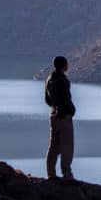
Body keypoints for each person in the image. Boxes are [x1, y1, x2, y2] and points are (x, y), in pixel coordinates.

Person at [44, 55, 78, 183]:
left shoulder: (49, 79)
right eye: (66, 64)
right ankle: (67, 175)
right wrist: (70, 110)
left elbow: (47, 100)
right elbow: (66, 99)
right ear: (64, 65)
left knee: (54, 146)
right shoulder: (62, 80)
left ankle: (51, 174)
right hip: (64, 116)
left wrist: (55, 107)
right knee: (67, 146)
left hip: (53, 115)